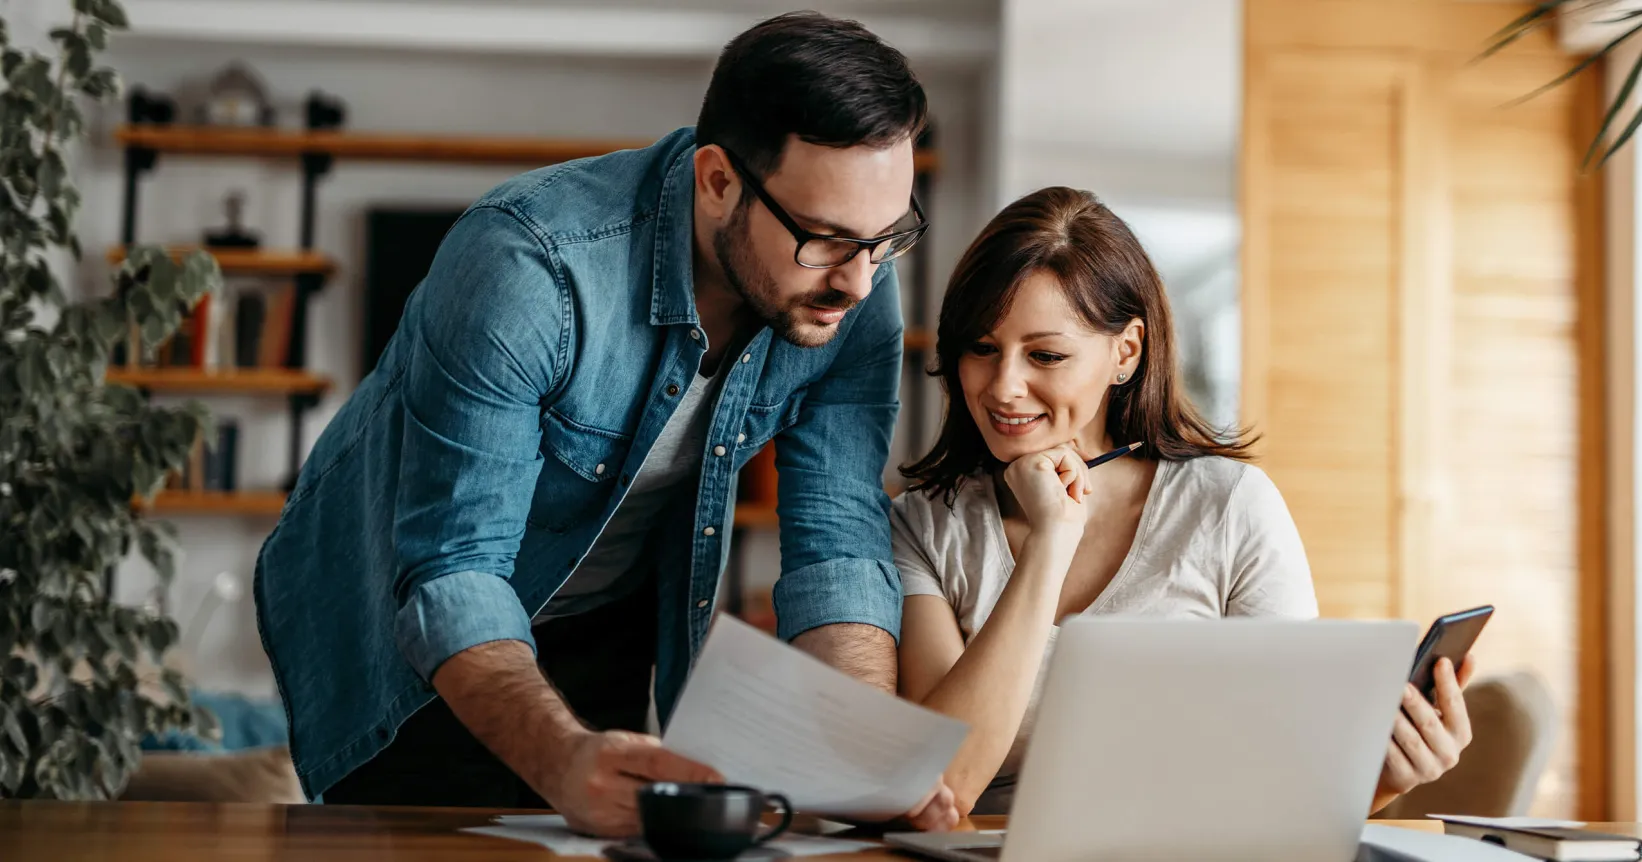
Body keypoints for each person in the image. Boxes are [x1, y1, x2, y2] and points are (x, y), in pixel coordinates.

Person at [255, 11, 956, 835]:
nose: (859, 282)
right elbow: (454, 568)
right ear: (718, 181)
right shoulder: (526, 268)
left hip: (605, 615)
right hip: (406, 626)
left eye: (885, 240)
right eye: (826, 240)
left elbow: (836, 534)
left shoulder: (855, 284)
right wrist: (556, 758)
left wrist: (861, 749)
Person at [891, 186, 1476, 818]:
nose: (1003, 386)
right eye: (981, 348)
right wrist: (1051, 543)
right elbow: (944, 787)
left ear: (1127, 351)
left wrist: (1382, 781)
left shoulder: (1229, 509)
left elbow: (1291, 780)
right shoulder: (922, 526)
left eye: (1046, 355)